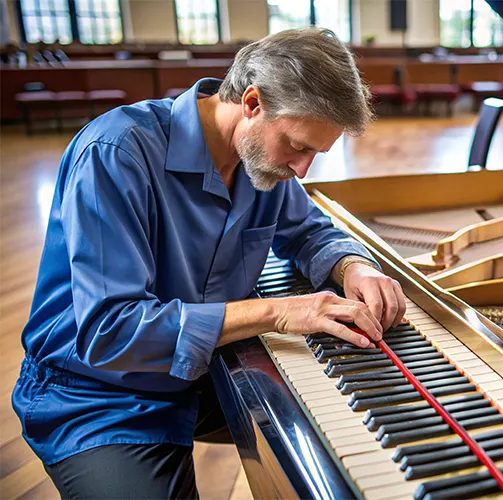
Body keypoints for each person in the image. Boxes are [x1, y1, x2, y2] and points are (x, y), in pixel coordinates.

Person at [12, 28, 406, 498]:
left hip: (204, 371)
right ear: (253, 103)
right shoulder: (116, 153)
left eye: (316, 154)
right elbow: (109, 330)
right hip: (97, 393)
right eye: (299, 147)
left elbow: (308, 230)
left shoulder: (262, 159)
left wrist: (353, 267)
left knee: (364, 430)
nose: (303, 171)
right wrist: (279, 311)